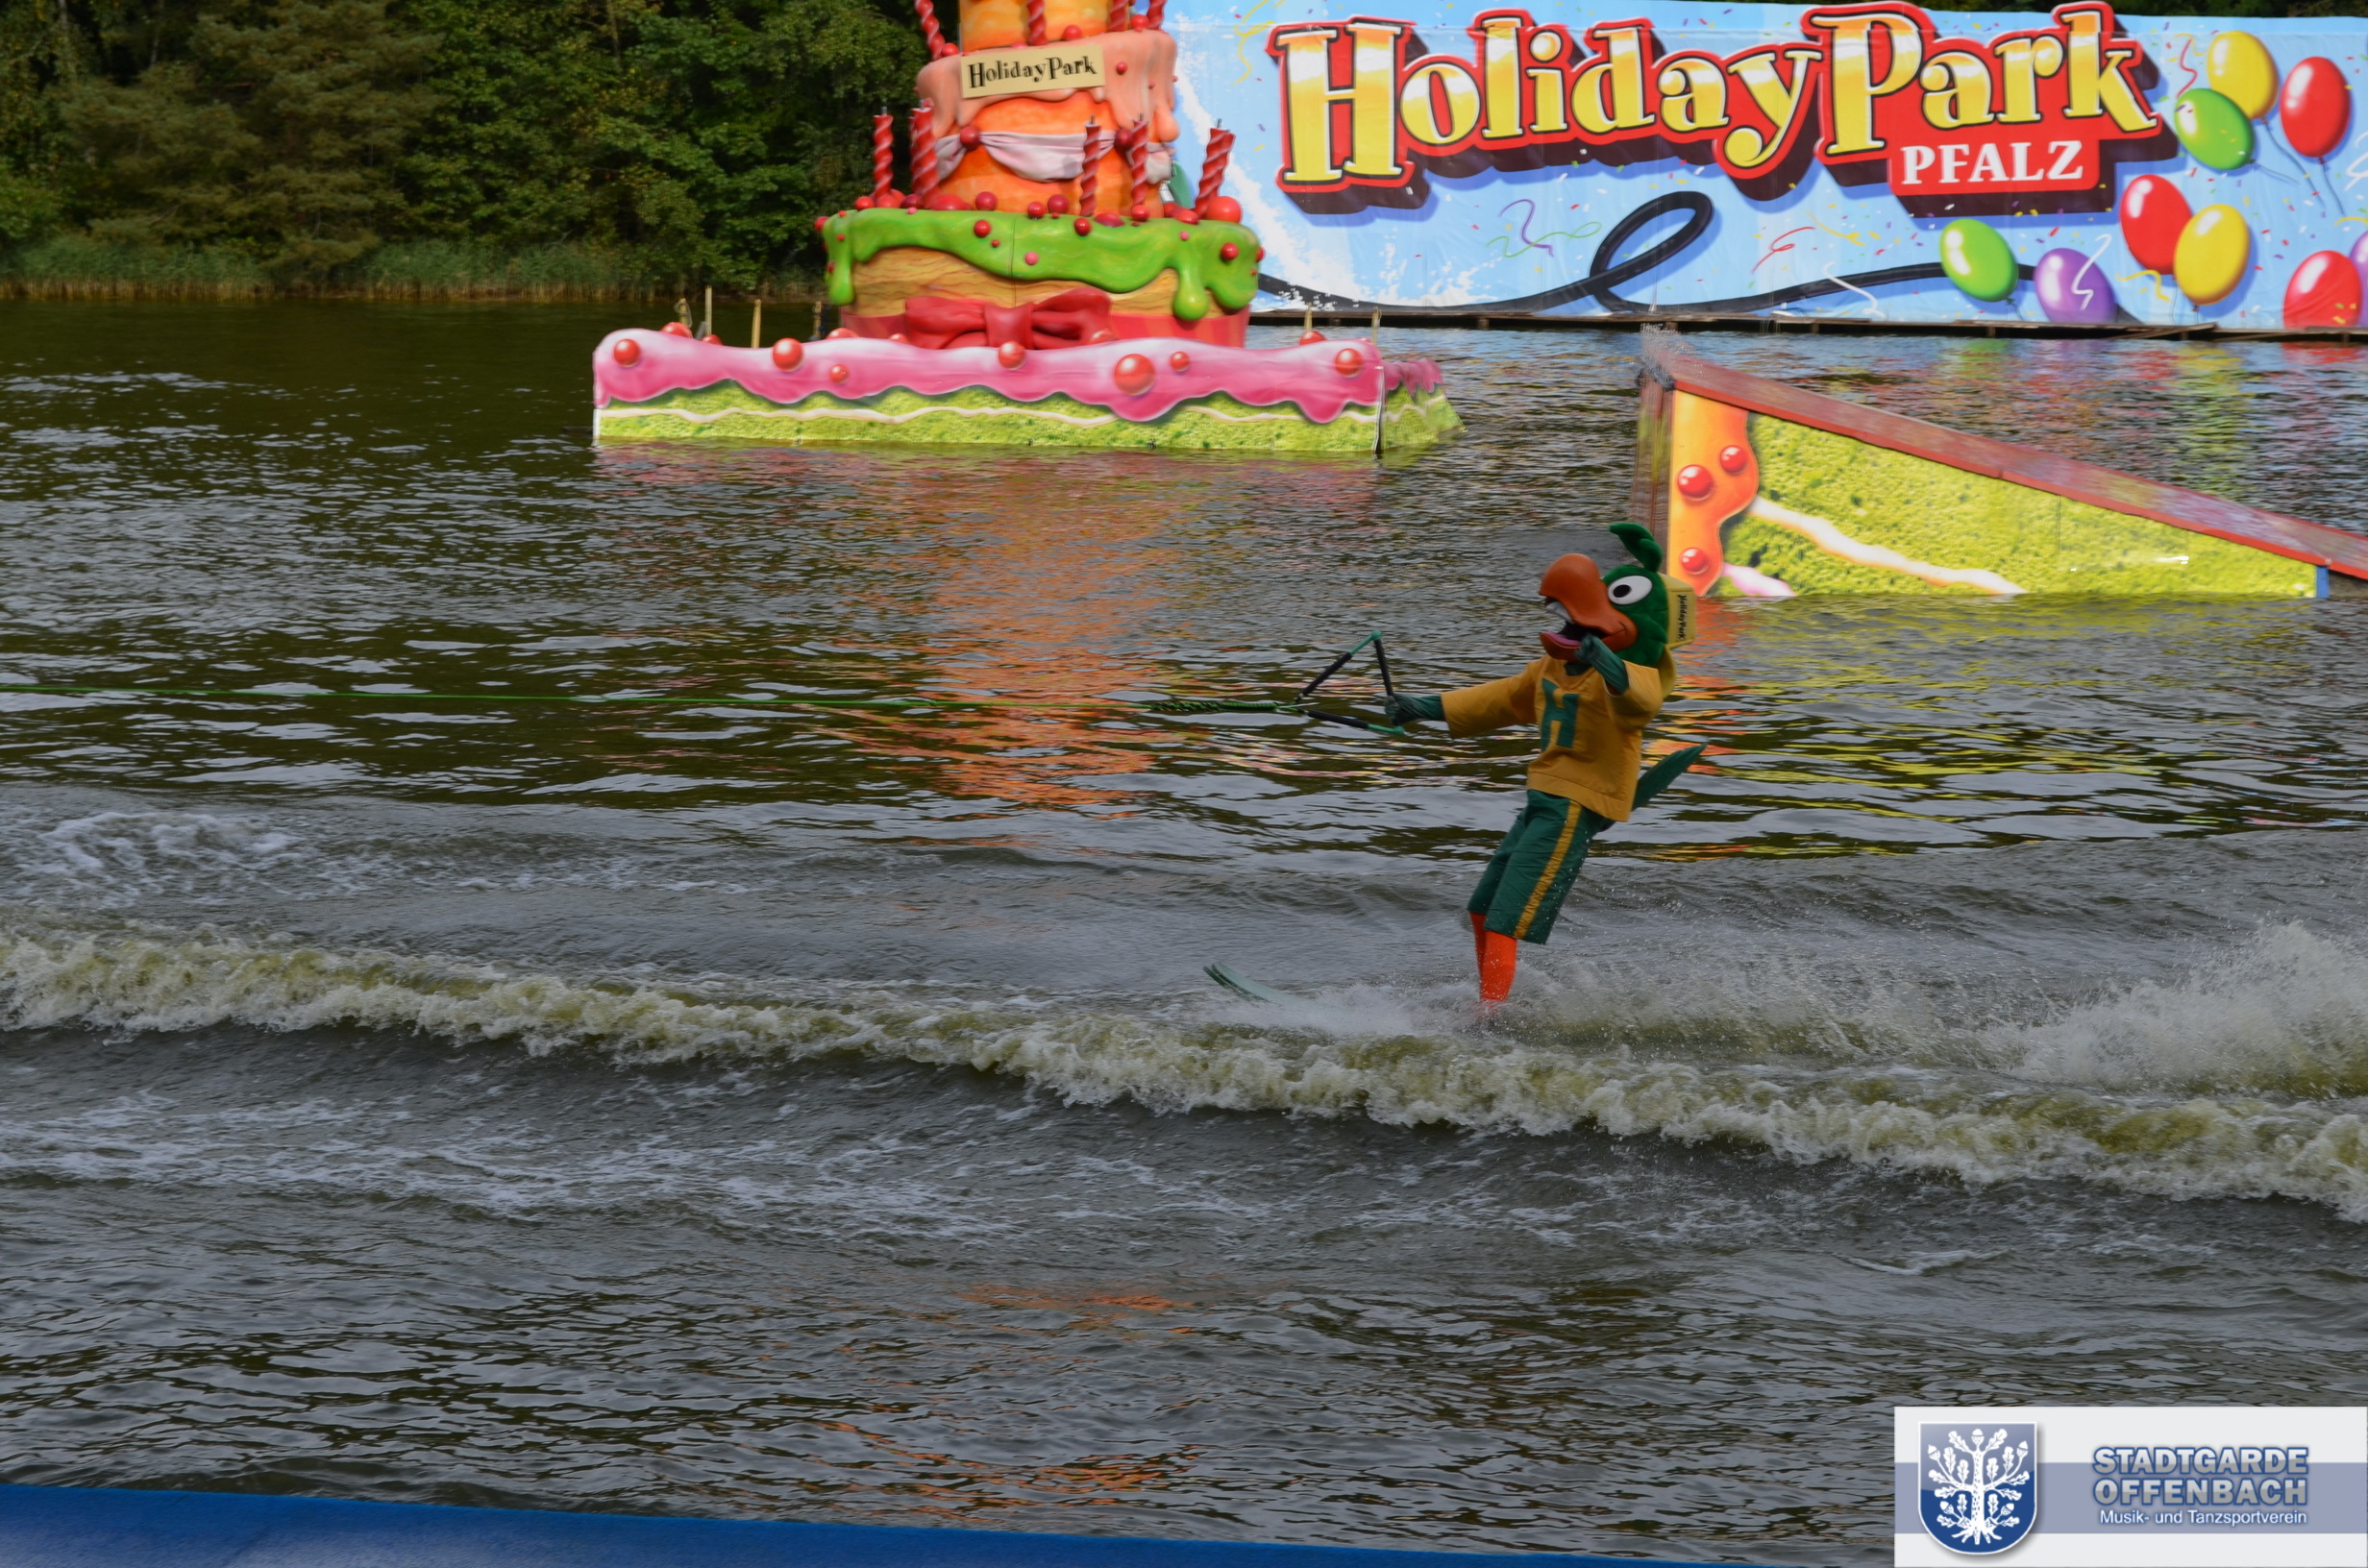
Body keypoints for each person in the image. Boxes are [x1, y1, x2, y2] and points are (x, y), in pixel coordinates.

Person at [1384, 524, 1702, 1013]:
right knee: (1482, 909)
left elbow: (1640, 699)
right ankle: (1490, 1001)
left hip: (1575, 805)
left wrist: (1606, 661)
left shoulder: (1635, 677)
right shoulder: (1550, 669)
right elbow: (1497, 700)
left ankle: (1490, 1017)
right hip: (1543, 798)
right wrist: (1422, 707)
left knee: (1506, 918)